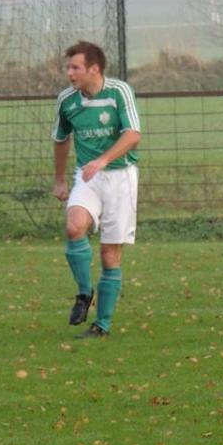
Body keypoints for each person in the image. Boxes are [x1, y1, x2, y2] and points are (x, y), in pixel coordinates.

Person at [52, 41, 141, 338]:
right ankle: (83, 293)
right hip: (88, 176)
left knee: (108, 254)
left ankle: (101, 325)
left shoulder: (118, 92)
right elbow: (61, 139)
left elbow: (133, 135)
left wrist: (104, 159)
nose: (69, 73)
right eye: (68, 68)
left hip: (120, 177)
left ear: (94, 69)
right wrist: (59, 179)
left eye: (75, 68)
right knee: (74, 227)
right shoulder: (67, 101)